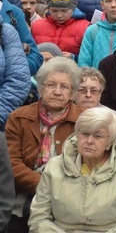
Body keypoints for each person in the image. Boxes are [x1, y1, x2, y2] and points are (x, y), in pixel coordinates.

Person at [27, 105, 116, 232]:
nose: (89, 141)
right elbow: (38, 217)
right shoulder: (55, 166)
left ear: (109, 143)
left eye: (98, 136)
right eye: (85, 134)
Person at [5, 59, 82, 230]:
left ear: (72, 93)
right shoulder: (19, 117)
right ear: (40, 88)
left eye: (64, 87)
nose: (57, 91)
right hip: (26, 191)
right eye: (51, 85)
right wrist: (43, 185)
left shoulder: (84, 120)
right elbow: (11, 163)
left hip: (71, 194)